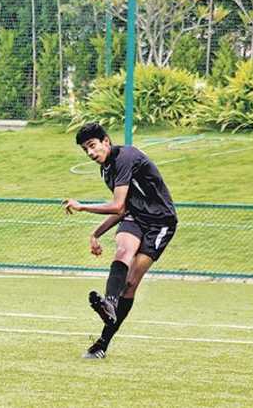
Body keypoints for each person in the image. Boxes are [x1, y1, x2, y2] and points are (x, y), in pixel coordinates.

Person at [63, 122, 177, 359]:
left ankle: (103, 343)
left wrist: (82, 206)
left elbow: (116, 205)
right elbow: (123, 210)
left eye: (93, 146)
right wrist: (96, 233)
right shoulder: (106, 169)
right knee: (123, 251)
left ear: (106, 141)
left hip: (160, 223)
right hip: (135, 216)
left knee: (132, 282)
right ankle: (109, 305)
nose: (91, 153)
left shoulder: (125, 157)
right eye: (86, 150)